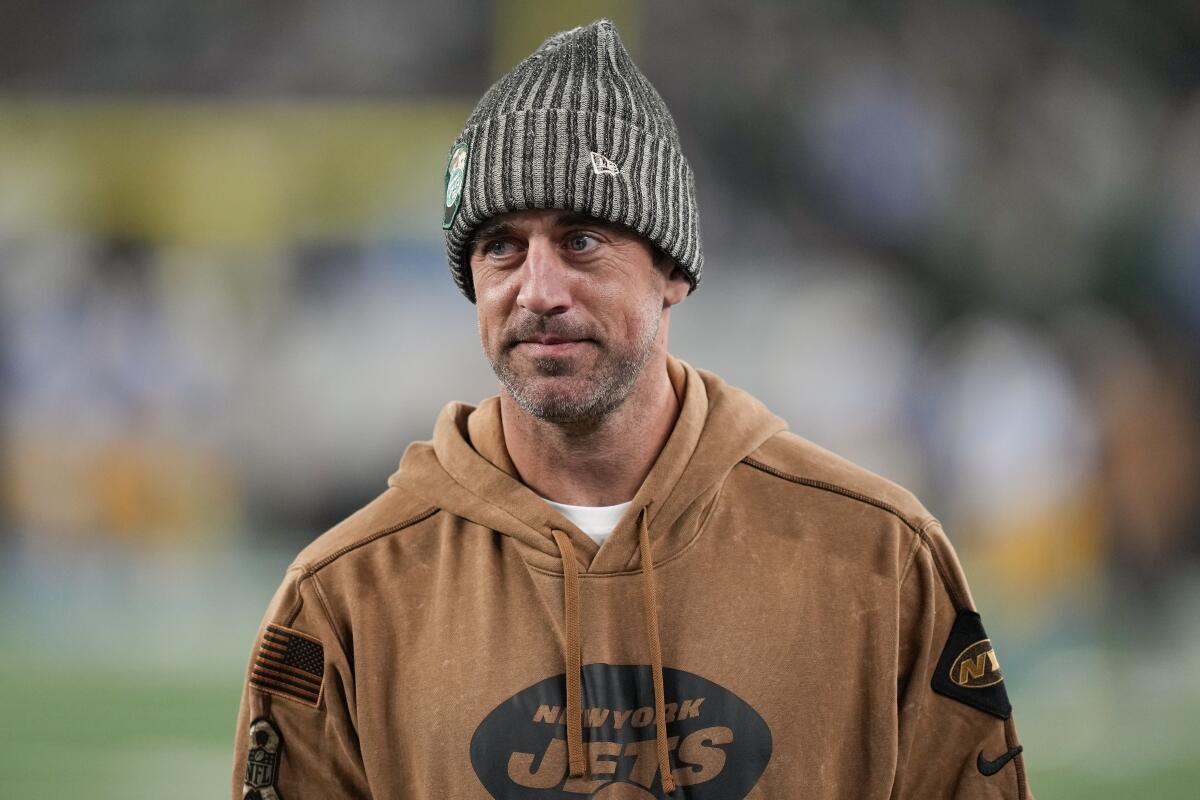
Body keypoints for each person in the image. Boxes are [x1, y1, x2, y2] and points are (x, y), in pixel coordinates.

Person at [232, 19, 1031, 800]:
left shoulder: (881, 561)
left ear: (673, 270)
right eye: (501, 246)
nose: (538, 291)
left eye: (581, 239)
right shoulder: (342, 599)